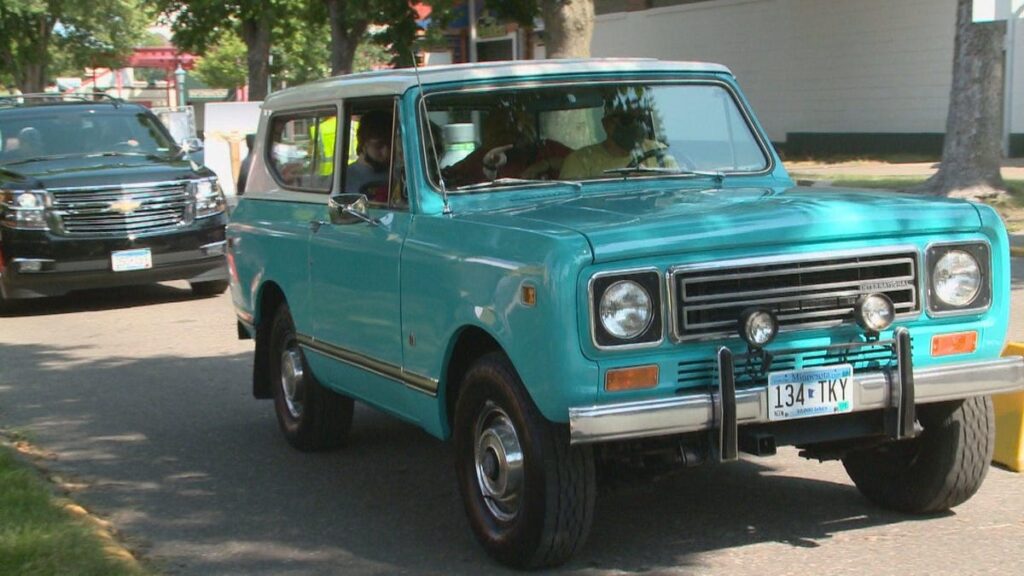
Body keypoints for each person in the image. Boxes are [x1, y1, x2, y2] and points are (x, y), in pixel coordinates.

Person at [442, 104, 570, 188]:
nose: (517, 129)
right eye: (502, 125)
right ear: (490, 130)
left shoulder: (548, 149)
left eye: (522, 123)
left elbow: (581, 162)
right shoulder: (481, 157)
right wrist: (488, 166)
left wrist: (545, 164)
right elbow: (445, 180)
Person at [559, 101, 676, 180]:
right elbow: (573, 210)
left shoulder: (660, 153)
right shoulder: (579, 162)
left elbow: (678, 194)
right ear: (607, 124)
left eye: (641, 118)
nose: (637, 125)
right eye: (628, 119)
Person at [345, 110, 393, 199]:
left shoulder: (399, 176)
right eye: (378, 146)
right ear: (362, 143)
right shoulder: (344, 179)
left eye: (390, 145)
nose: (387, 153)